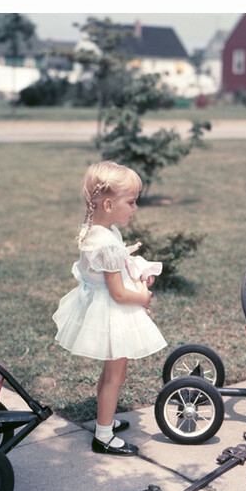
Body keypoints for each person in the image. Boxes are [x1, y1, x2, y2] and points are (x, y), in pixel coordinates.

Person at [52, 161, 167, 456]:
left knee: (110, 371)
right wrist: (141, 297)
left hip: (99, 307)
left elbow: (112, 271)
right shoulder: (107, 242)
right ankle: (103, 436)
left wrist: (138, 272)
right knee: (116, 376)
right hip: (110, 312)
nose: (136, 207)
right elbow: (117, 293)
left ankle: (105, 418)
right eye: (131, 201)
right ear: (108, 203)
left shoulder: (99, 231)